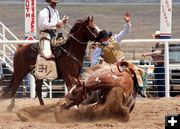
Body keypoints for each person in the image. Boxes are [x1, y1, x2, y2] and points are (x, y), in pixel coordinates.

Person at [142, 31, 165, 97]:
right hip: (157, 65)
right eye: (156, 36)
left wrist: (147, 54)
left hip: (161, 65)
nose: (157, 38)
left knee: (160, 82)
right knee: (158, 82)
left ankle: (162, 96)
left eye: (158, 36)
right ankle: (161, 96)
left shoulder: (162, 44)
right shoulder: (156, 45)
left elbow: (158, 52)